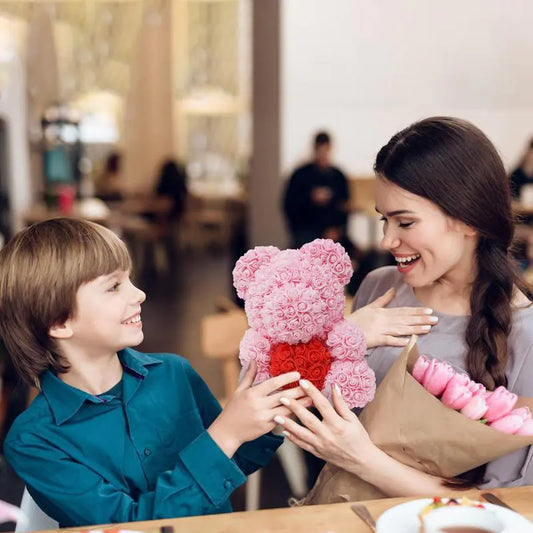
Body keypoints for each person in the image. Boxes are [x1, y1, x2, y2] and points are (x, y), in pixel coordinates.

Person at [274, 117, 533, 494]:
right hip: (339, 512)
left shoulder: (525, 335)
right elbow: (302, 400)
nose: (386, 241)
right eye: (384, 219)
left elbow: (505, 504)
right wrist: (339, 340)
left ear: (469, 220)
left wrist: (362, 459)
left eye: (405, 223)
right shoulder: (380, 288)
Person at [0, 218, 310, 527]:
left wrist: (270, 409)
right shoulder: (33, 440)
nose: (139, 294)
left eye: (129, 279)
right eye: (114, 286)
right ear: (59, 322)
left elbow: (237, 460)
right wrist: (225, 434)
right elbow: (130, 525)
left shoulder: (174, 373)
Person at [283, 131, 358, 258]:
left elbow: (344, 206)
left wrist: (337, 229)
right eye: (320, 150)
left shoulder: (338, 176)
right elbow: (290, 205)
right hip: (307, 231)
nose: (323, 155)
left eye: (326, 150)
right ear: (315, 150)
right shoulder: (300, 175)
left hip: (334, 231)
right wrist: (310, 198)